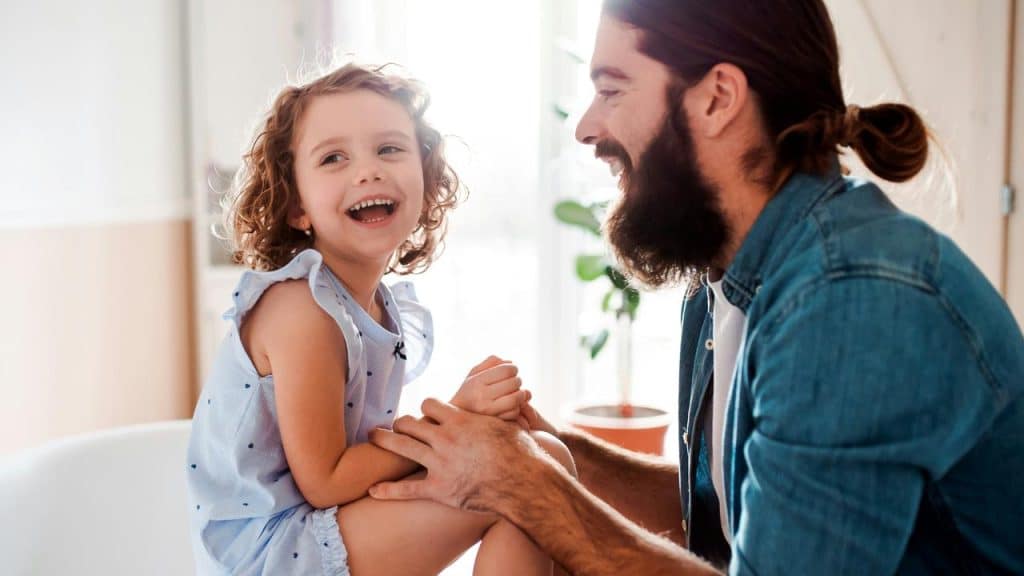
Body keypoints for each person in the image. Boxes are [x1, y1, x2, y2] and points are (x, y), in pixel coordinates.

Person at [368, 1, 1024, 574]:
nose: (587, 126)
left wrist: (529, 488)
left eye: (613, 88)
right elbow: (722, 520)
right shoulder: (725, 273)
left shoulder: (851, 300)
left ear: (717, 98)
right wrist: (557, 454)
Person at [185, 63, 573, 576]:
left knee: (536, 461)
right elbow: (325, 479)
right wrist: (453, 418)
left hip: (324, 523)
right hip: (276, 555)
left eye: (389, 149)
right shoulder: (302, 310)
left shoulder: (370, 303)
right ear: (297, 205)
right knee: (527, 474)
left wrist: (469, 430)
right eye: (333, 158)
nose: (366, 171)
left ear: (427, 178)